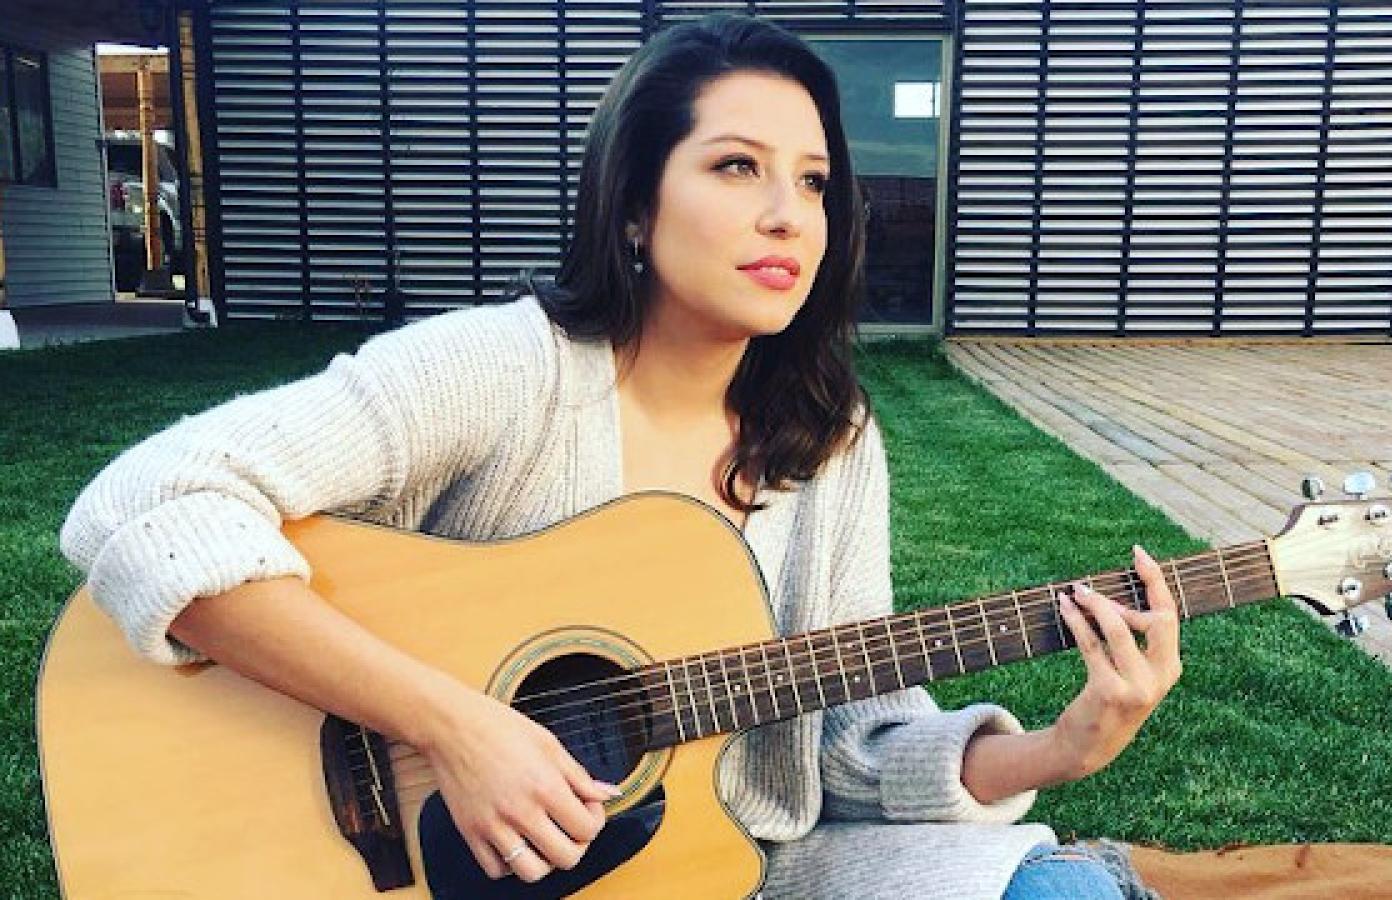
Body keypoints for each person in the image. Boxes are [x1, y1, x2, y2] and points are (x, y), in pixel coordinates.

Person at [59, 13, 1177, 899]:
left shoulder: (830, 438)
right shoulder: (503, 369)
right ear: (635, 207)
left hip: (734, 860)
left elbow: (850, 748)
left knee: (1062, 893)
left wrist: (1060, 748)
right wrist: (453, 725)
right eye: (736, 167)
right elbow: (146, 503)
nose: (788, 215)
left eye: (813, 181)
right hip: (461, 865)